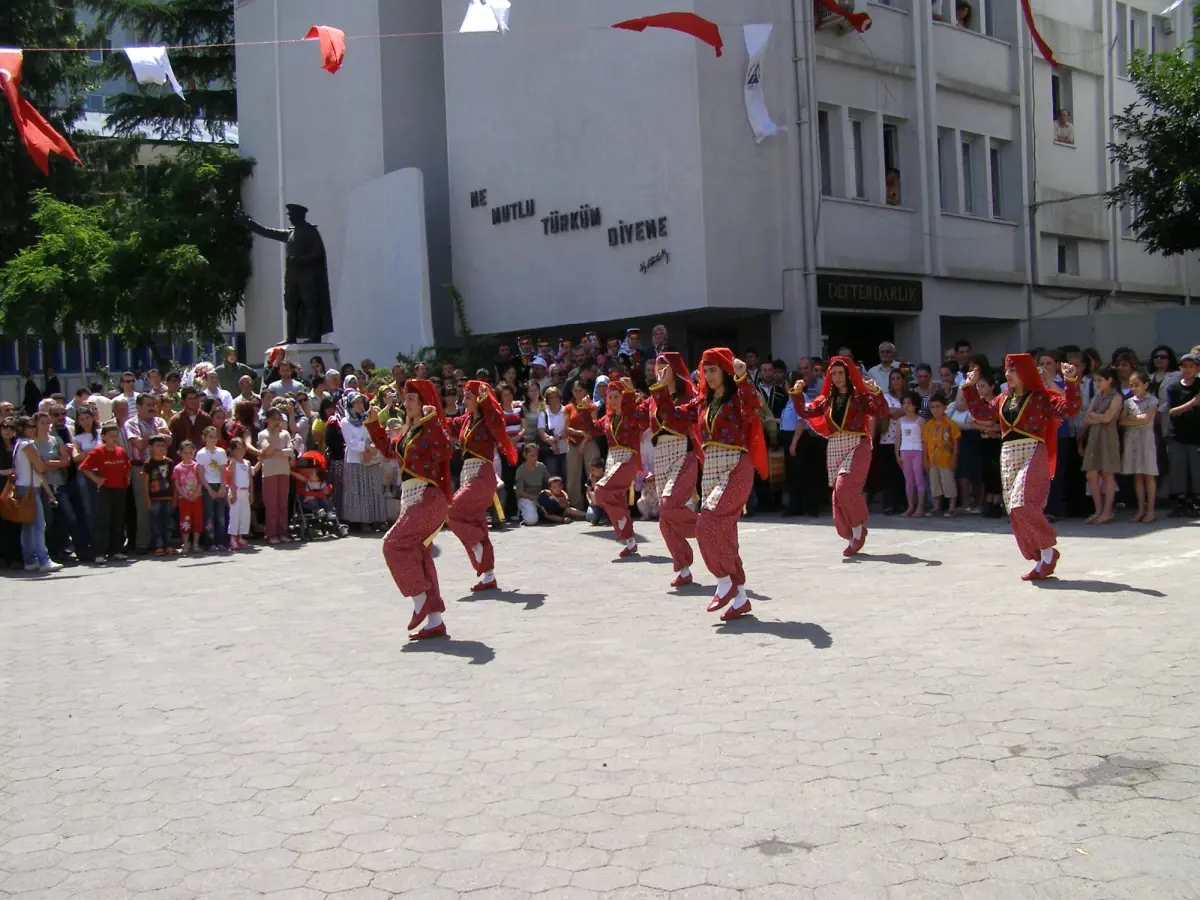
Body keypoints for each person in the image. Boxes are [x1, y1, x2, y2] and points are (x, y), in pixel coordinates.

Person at [962, 355, 1080, 580]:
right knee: (1014, 511)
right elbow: (982, 413)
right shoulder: (1003, 399)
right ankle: (1039, 558)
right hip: (1008, 454)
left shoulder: (1041, 397)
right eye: (1007, 370)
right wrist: (969, 387)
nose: (1007, 375)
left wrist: (1071, 381)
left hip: (1033, 450)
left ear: (1025, 373)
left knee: (1022, 504)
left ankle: (1048, 551)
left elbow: (1070, 409)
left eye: (1012, 370)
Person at [368, 379, 453, 640]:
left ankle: (420, 599)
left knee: (392, 545)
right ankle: (434, 621)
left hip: (428, 498)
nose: (405, 404)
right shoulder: (408, 433)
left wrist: (432, 421)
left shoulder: (429, 428)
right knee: (420, 555)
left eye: (411, 399)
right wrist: (373, 424)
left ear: (424, 403)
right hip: (413, 498)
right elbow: (387, 449)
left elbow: (445, 451)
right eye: (405, 399)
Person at [693, 349, 767, 620]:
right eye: (705, 370)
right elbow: (674, 413)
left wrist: (743, 377)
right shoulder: (704, 402)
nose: (708, 376)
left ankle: (724, 581)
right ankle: (740, 598)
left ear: (724, 371)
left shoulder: (737, 397)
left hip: (736, 466)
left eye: (713, 370)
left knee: (706, 524)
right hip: (711, 470)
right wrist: (663, 386)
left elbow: (754, 408)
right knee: (723, 532)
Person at [791, 356, 888, 556]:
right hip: (835, 447)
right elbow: (805, 411)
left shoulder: (860, 397)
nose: (836, 377)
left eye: (840, 373)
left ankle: (859, 530)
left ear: (849, 374)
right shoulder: (826, 401)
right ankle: (853, 534)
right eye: (833, 373)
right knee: (837, 497)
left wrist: (876, 392)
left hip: (858, 445)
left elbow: (881, 410)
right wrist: (798, 393)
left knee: (844, 488)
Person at [446, 381, 518, 591]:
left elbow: (498, 421)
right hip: (467, 475)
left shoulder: (488, 420)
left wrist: (487, 400)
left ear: (479, 399)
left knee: (451, 512)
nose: (463, 400)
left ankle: (478, 546)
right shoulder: (466, 420)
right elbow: (446, 424)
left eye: (468, 397)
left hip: (483, 475)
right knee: (477, 523)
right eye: (464, 396)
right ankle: (488, 576)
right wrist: (429, 414)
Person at [646, 352, 702, 587]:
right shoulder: (653, 399)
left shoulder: (689, 397)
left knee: (669, 507)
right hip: (662, 456)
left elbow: (673, 419)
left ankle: (710, 527)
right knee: (665, 520)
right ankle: (684, 567)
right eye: (657, 368)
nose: (659, 372)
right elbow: (635, 417)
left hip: (683, 454)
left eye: (664, 368)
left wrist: (659, 389)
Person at [585, 378, 650, 559]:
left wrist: (630, 393)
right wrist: (587, 410)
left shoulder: (631, 413)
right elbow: (592, 428)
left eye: (616, 396)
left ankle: (623, 523)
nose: (612, 400)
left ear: (623, 397)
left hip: (628, 460)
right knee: (617, 501)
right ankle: (630, 541)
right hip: (612, 461)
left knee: (601, 490)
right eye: (610, 397)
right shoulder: (608, 418)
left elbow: (636, 414)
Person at [12, 415, 62, 572]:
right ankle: (43, 559)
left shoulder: (19, 444)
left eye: (34, 426)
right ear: (22, 429)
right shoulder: (27, 445)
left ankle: (30, 560)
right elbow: (39, 468)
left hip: (23, 487)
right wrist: (57, 463)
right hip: (30, 489)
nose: (33, 429)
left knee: (28, 527)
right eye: (30, 427)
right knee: (39, 525)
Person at [78, 423, 131, 563]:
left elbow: (127, 467)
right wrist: (97, 479)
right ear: (103, 437)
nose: (114, 438)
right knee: (104, 521)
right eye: (111, 436)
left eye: (116, 435)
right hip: (105, 490)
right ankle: (100, 552)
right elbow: (84, 468)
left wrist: (127, 480)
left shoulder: (121, 452)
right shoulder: (97, 452)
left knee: (118, 521)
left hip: (120, 489)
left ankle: (116, 550)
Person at [338, 391, 387, 530]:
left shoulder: (368, 418)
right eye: (356, 403)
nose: (360, 405)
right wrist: (365, 447)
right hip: (355, 459)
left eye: (361, 402)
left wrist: (371, 449)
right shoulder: (345, 421)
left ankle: (377, 519)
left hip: (370, 457)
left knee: (374, 488)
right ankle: (363, 521)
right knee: (360, 491)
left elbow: (374, 434)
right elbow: (350, 442)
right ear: (350, 404)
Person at [1081, 365, 1121, 525]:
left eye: (1100, 380)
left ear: (1109, 380)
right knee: (1091, 473)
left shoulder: (1116, 397)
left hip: (1108, 436)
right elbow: (1086, 417)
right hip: (1094, 436)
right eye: (1096, 380)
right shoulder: (1097, 396)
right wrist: (1098, 417)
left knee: (1107, 473)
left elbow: (1108, 418)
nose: (1097, 384)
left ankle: (1107, 511)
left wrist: (1095, 416)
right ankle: (1098, 510)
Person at [1163, 351, 1200, 517]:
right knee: (1178, 469)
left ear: (1197, 368)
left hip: (1196, 436)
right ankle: (1181, 502)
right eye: (1184, 366)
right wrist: (1193, 402)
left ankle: (1196, 501)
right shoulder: (1174, 387)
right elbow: (1172, 411)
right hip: (1177, 435)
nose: (1187, 369)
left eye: (1191, 366)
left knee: (1196, 469)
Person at [1121, 371, 1159, 523]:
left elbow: (1146, 418)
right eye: (1131, 385)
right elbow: (1122, 421)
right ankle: (1140, 510)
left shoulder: (1152, 400)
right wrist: (1135, 420)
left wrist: (1132, 419)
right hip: (1132, 440)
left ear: (1146, 385)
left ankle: (1151, 510)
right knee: (1137, 476)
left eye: (1136, 385)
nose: (1133, 388)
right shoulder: (1128, 402)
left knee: (1148, 475)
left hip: (1146, 440)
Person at [258, 407, 296, 545]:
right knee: (271, 505)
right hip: (269, 473)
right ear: (267, 419)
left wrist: (277, 452)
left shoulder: (285, 434)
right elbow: (266, 451)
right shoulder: (263, 434)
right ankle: (271, 533)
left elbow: (291, 451)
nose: (276, 422)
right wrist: (274, 437)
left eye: (278, 418)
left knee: (282, 504)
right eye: (273, 419)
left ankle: (282, 532)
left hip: (283, 471)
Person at [924, 393, 961, 516]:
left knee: (948, 483)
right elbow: (925, 443)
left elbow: (955, 442)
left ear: (945, 407)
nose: (935, 410)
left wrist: (954, 459)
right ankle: (936, 507)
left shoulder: (951, 424)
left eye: (938, 406)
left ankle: (951, 507)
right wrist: (925, 459)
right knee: (935, 484)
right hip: (932, 460)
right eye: (932, 407)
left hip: (946, 459)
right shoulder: (928, 425)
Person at [142, 436, 176, 556]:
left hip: (168, 497)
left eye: (163, 446)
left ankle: (168, 545)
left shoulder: (170, 463)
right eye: (158, 446)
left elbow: (173, 482)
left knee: (168, 522)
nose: (161, 448)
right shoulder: (148, 464)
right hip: (154, 498)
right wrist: (147, 499)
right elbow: (146, 483)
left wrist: (175, 498)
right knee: (156, 522)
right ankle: (158, 546)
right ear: (150, 447)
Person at [197, 427, 229, 551]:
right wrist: (209, 490)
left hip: (219, 484)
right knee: (209, 514)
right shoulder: (201, 454)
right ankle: (210, 542)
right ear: (204, 438)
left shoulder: (221, 452)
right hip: (208, 486)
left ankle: (221, 541)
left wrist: (222, 486)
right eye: (210, 437)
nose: (213, 439)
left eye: (215, 436)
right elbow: (200, 474)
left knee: (220, 515)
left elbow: (222, 470)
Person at [897, 392, 926, 518]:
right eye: (904, 403)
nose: (906, 406)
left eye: (909, 403)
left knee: (919, 480)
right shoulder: (900, 421)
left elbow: (924, 439)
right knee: (908, 481)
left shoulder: (920, 420)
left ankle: (920, 507)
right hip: (905, 452)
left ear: (915, 405)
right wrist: (897, 454)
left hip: (918, 451)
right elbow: (897, 439)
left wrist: (925, 455)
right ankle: (910, 506)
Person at [173, 441, 204, 553]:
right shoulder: (177, 468)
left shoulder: (197, 466)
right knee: (185, 521)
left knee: (197, 521)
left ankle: (196, 544)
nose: (188, 455)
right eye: (185, 452)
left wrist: (196, 494)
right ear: (180, 453)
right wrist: (185, 495)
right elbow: (177, 485)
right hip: (184, 499)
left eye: (190, 452)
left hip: (197, 498)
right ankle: (186, 544)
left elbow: (201, 481)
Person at [225, 438, 254, 550]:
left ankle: (241, 537)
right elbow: (230, 478)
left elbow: (250, 479)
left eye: (242, 448)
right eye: (238, 448)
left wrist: (251, 493)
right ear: (232, 451)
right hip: (236, 491)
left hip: (245, 491)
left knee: (244, 515)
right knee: (235, 515)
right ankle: (233, 537)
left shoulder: (247, 463)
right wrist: (233, 492)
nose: (241, 451)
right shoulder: (233, 462)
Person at [514, 443, 550, 525]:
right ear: (525, 455)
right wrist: (535, 498)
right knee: (531, 521)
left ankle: (538, 512)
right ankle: (522, 514)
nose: (535, 458)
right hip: (526, 498)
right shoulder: (520, 470)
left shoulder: (541, 466)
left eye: (536, 455)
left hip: (539, 496)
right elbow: (520, 492)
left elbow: (549, 482)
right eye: (532, 455)